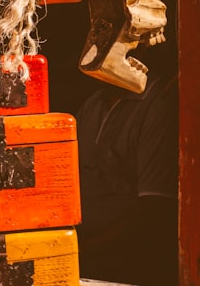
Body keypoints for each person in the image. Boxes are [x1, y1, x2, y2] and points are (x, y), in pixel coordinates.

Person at [76, 67, 178, 285]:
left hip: (124, 262)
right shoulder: (93, 103)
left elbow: (153, 208)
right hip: (83, 254)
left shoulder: (156, 105)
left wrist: (85, 249)